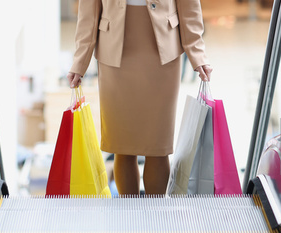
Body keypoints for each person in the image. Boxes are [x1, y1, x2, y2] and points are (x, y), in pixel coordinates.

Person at [67, 0, 213, 196]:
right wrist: (80, 61)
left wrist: (198, 53)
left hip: (162, 52)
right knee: (122, 146)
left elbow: (189, 6)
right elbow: (88, 12)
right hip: (115, 53)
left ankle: (154, 217)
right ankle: (129, 217)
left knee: (158, 147)